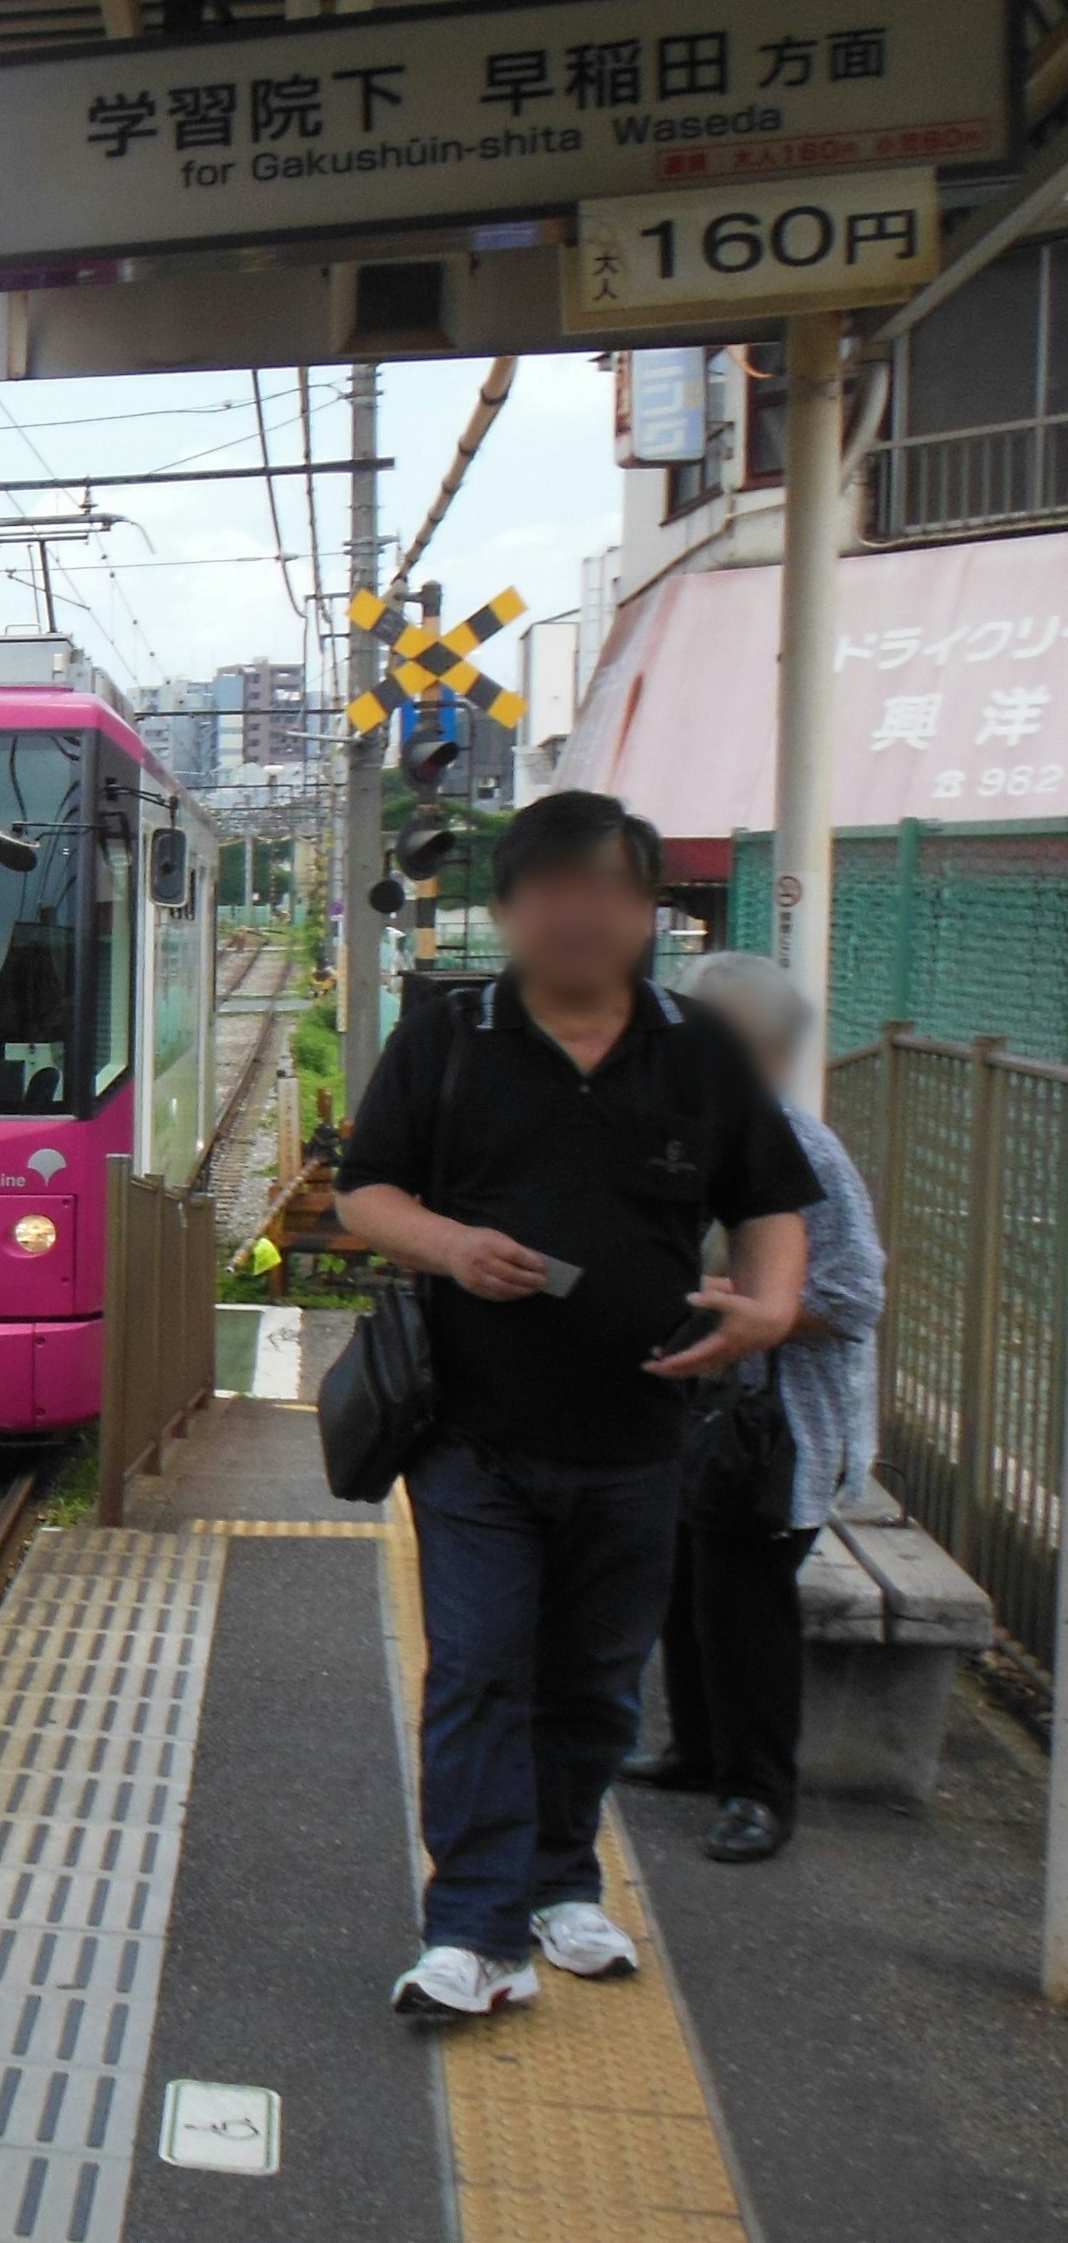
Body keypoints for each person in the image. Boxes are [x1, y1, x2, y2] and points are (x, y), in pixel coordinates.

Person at [334, 791, 818, 2021]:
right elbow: (365, 1192)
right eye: (552, 886)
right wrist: (449, 1244)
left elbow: (770, 1198)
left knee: (597, 1681)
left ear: (652, 909)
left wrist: (765, 1308)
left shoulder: (696, 1049)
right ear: (506, 909)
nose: (581, 911)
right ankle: (473, 1924)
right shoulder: (448, 1035)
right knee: (481, 1670)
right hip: (472, 1432)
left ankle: (561, 1883)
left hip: (640, 1433)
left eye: (609, 886)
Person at [628, 951, 884, 1862]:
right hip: (707, 1419)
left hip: (781, 1431)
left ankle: (759, 1792)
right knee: (688, 1585)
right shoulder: (697, 1131)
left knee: (745, 1609)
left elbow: (854, 1295)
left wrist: (741, 1303)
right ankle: (698, 1753)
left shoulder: (799, 1146)